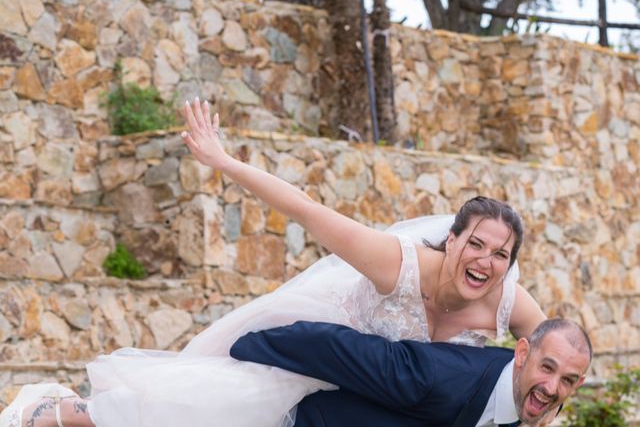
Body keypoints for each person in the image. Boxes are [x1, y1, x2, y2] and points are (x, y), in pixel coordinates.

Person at [0, 98, 546, 427]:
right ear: (451, 241)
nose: (485, 261)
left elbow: (553, 352)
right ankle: (69, 414)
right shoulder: (393, 263)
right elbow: (306, 209)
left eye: (501, 254)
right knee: (219, 406)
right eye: (476, 244)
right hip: (316, 347)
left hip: (372, 393)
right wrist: (223, 160)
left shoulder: (509, 304)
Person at [230, 318, 592, 426]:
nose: (551, 386)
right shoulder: (433, 376)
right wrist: (238, 347)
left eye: (567, 380)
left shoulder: (528, 402)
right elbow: (329, 345)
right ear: (523, 353)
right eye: (547, 368)